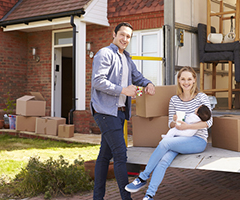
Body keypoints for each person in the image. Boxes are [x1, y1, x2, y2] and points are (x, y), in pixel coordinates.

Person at [125, 66, 213, 200]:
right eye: (183, 79)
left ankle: (143, 177)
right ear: (178, 80)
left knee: (165, 142)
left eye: (189, 79)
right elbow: (170, 125)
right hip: (177, 139)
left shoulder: (202, 98)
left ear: (194, 80)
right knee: (164, 161)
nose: (186, 82)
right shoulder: (174, 100)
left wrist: (188, 126)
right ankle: (149, 195)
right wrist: (174, 120)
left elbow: (209, 122)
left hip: (197, 140)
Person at [90, 22, 155, 200]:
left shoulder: (126, 58)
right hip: (104, 111)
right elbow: (98, 81)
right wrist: (123, 90)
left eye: (128, 37)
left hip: (119, 112)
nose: (125, 39)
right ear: (114, 34)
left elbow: (137, 77)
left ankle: (98, 197)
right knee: (120, 154)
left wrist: (148, 83)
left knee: (105, 155)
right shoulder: (104, 54)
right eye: (122, 35)